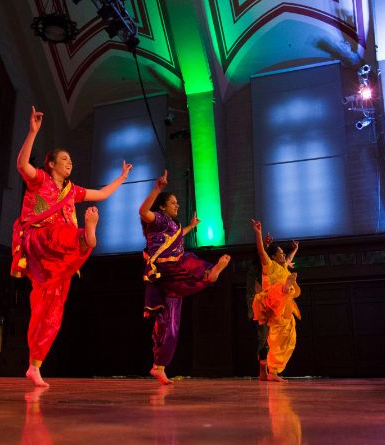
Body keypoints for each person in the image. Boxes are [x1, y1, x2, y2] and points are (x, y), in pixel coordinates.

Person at [13, 106, 132, 387]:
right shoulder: (39, 180)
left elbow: (101, 194)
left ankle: (34, 364)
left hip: (56, 261)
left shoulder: (73, 190)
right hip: (39, 240)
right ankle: (85, 237)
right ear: (51, 164)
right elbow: (21, 165)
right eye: (64, 159)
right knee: (64, 231)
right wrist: (32, 132)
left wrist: (123, 177)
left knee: (51, 311)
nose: (70, 163)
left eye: (71, 160)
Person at [139, 170, 231, 385]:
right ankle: (209, 274)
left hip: (173, 283)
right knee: (189, 259)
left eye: (177, 202)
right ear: (162, 206)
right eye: (173, 202)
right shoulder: (159, 220)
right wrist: (157, 188)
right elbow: (143, 211)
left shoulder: (175, 226)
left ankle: (158, 366)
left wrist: (191, 226)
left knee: (171, 328)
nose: (177, 205)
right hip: (165, 269)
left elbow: (177, 236)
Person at [250, 219, 301, 382]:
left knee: (288, 340)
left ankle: (274, 372)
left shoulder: (284, 267)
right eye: (280, 252)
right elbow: (260, 252)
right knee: (280, 288)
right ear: (273, 256)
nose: (283, 255)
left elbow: (287, 260)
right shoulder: (269, 265)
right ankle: (284, 288)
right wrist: (258, 233)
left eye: (283, 253)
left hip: (284, 309)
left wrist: (295, 250)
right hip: (271, 302)